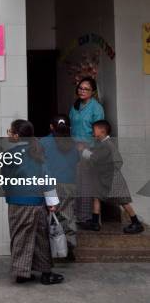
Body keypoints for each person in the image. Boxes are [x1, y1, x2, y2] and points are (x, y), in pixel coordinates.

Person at [3, 120, 63, 285]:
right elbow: (46, 177)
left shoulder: (8, 154)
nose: (8, 134)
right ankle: (45, 273)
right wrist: (51, 201)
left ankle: (22, 273)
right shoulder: (37, 151)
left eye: (9, 131)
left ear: (16, 135)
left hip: (16, 203)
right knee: (40, 238)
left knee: (20, 237)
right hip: (36, 202)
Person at [77, 120, 144, 234]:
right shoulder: (104, 144)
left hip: (113, 178)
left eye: (94, 129)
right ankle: (95, 223)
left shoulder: (106, 145)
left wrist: (83, 150)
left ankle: (136, 222)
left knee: (123, 200)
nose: (92, 132)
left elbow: (95, 158)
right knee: (97, 196)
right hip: (106, 177)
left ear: (102, 131)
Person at [40, 115, 79, 261]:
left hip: (50, 184)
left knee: (49, 217)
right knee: (68, 217)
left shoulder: (43, 142)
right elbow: (76, 161)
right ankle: (69, 249)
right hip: (69, 184)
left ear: (51, 126)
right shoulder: (74, 143)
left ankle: (50, 249)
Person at [69, 77, 105, 223]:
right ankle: (78, 216)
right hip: (74, 149)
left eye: (86, 89)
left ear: (93, 92)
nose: (82, 91)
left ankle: (88, 217)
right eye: (80, 88)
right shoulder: (75, 106)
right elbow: (72, 126)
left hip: (88, 149)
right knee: (76, 183)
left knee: (86, 183)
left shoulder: (96, 108)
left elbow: (100, 132)